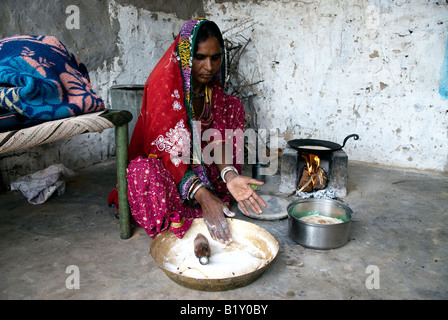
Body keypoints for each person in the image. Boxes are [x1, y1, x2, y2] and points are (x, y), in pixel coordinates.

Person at [123, 18, 266, 244]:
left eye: (215, 57)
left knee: (233, 105)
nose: (209, 67)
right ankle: (193, 212)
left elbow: (216, 140)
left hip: (203, 169)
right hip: (170, 171)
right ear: (185, 55)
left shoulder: (212, 92)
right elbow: (168, 155)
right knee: (141, 172)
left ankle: (218, 194)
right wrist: (203, 196)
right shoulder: (164, 87)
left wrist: (229, 175)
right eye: (200, 58)